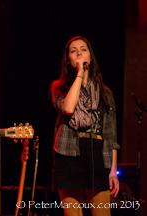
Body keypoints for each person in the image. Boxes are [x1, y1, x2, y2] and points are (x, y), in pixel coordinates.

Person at [50, 36, 120, 216]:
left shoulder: (106, 93)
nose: (79, 52)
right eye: (74, 51)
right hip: (68, 153)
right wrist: (80, 74)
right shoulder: (59, 88)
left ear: (91, 56)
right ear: (68, 60)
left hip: (97, 152)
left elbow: (111, 136)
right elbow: (68, 108)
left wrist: (112, 172)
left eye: (84, 49)